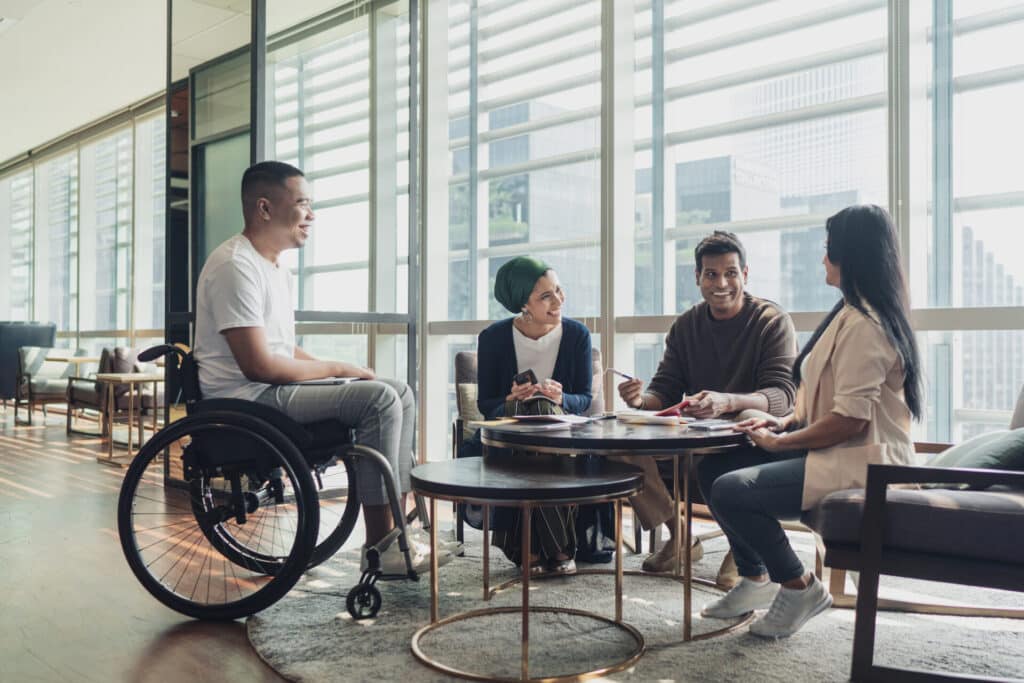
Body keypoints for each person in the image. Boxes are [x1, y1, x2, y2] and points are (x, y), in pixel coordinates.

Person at [192, 160, 455, 575]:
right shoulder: (234, 266)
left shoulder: (273, 267)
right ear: (264, 209)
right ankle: (380, 546)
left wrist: (340, 372)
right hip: (245, 400)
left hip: (266, 393)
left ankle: (404, 528)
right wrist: (337, 367)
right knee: (380, 402)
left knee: (399, 391)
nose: (312, 215)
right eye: (303, 204)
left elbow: (281, 347)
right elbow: (260, 365)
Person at [699, 204, 922, 639]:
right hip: (833, 448)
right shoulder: (847, 312)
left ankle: (799, 585)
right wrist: (781, 423)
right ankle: (754, 578)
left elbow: (851, 422)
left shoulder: (867, 325)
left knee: (732, 489)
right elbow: (825, 403)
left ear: (850, 256)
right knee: (711, 468)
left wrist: (782, 443)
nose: (823, 258)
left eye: (828, 250)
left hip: (863, 462)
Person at [615, 230, 798, 574]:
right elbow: (665, 391)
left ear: (745, 274)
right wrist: (640, 400)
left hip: (750, 438)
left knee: (747, 413)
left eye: (731, 273)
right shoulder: (686, 326)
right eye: (711, 274)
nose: (721, 283)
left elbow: (782, 395)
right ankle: (680, 535)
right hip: (697, 437)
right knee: (622, 444)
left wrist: (726, 402)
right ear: (697, 277)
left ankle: (744, 548)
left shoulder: (771, 322)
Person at [475, 256, 593, 574]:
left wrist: (560, 397)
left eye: (558, 290)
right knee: (536, 410)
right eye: (545, 296)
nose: (558, 301)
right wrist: (511, 398)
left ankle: (525, 546)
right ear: (523, 304)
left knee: (544, 409)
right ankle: (558, 547)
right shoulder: (493, 338)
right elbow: (487, 404)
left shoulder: (577, 335)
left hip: (562, 426)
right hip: (510, 425)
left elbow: (583, 399)